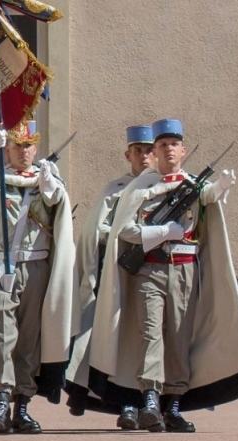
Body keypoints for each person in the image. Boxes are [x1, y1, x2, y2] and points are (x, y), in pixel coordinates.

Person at [87, 118, 238, 431]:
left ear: (183, 149)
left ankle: (173, 405)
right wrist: (159, 232)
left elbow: (208, 198)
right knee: (150, 334)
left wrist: (221, 187)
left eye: (173, 144)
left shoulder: (194, 186)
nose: (168, 150)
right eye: (162, 145)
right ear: (154, 152)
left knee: (180, 339)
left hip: (185, 271)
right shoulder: (140, 187)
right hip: (150, 270)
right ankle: (151, 400)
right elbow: (125, 230)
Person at [0, 119, 75, 433]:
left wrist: (50, 189)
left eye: (29, 145)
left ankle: (23, 404)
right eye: (17, 145)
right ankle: (1, 398)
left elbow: (58, 211)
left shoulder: (46, 179)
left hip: (36, 267)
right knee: (3, 337)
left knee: (28, 339)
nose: (24, 151)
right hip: (1, 266)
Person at [66, 125, 155, 422]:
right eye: (138, 151)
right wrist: (121, 234)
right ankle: (125, 403)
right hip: (119, 272)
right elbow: (95, 231)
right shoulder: (116, 189)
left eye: (149, 150)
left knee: (151, 338)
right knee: (119, 338)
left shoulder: (166, 186)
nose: (144, 156)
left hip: (154, 272)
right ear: (127, 154)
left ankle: (154, 402)